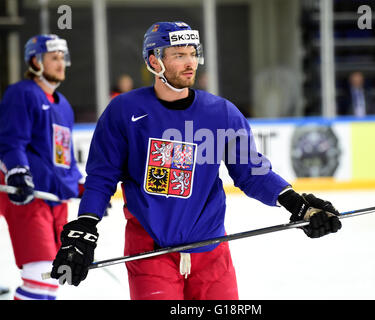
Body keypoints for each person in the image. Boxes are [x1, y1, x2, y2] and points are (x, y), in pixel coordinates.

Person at [50, 21, 342, 300]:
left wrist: (296, 204)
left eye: (193, 54)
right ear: (154, 61)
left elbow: (251, 171)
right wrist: (85, 226)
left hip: (212, 253)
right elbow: (102, 177)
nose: (190, 62)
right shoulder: (124, 111)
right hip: (150, 254)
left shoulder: (221, 113)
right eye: (179, 55)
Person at [0, 34, 83, 300]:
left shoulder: (65, 105)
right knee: (40, 277)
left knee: (51, 279)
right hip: (30, 196)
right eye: (54, 58)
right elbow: (12, 140)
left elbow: (63, 156)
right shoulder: (22, 94)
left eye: (63, 58)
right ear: (36, 61)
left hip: (54, 200)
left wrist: (82, 186)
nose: (61, 65)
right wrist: (18, 172)